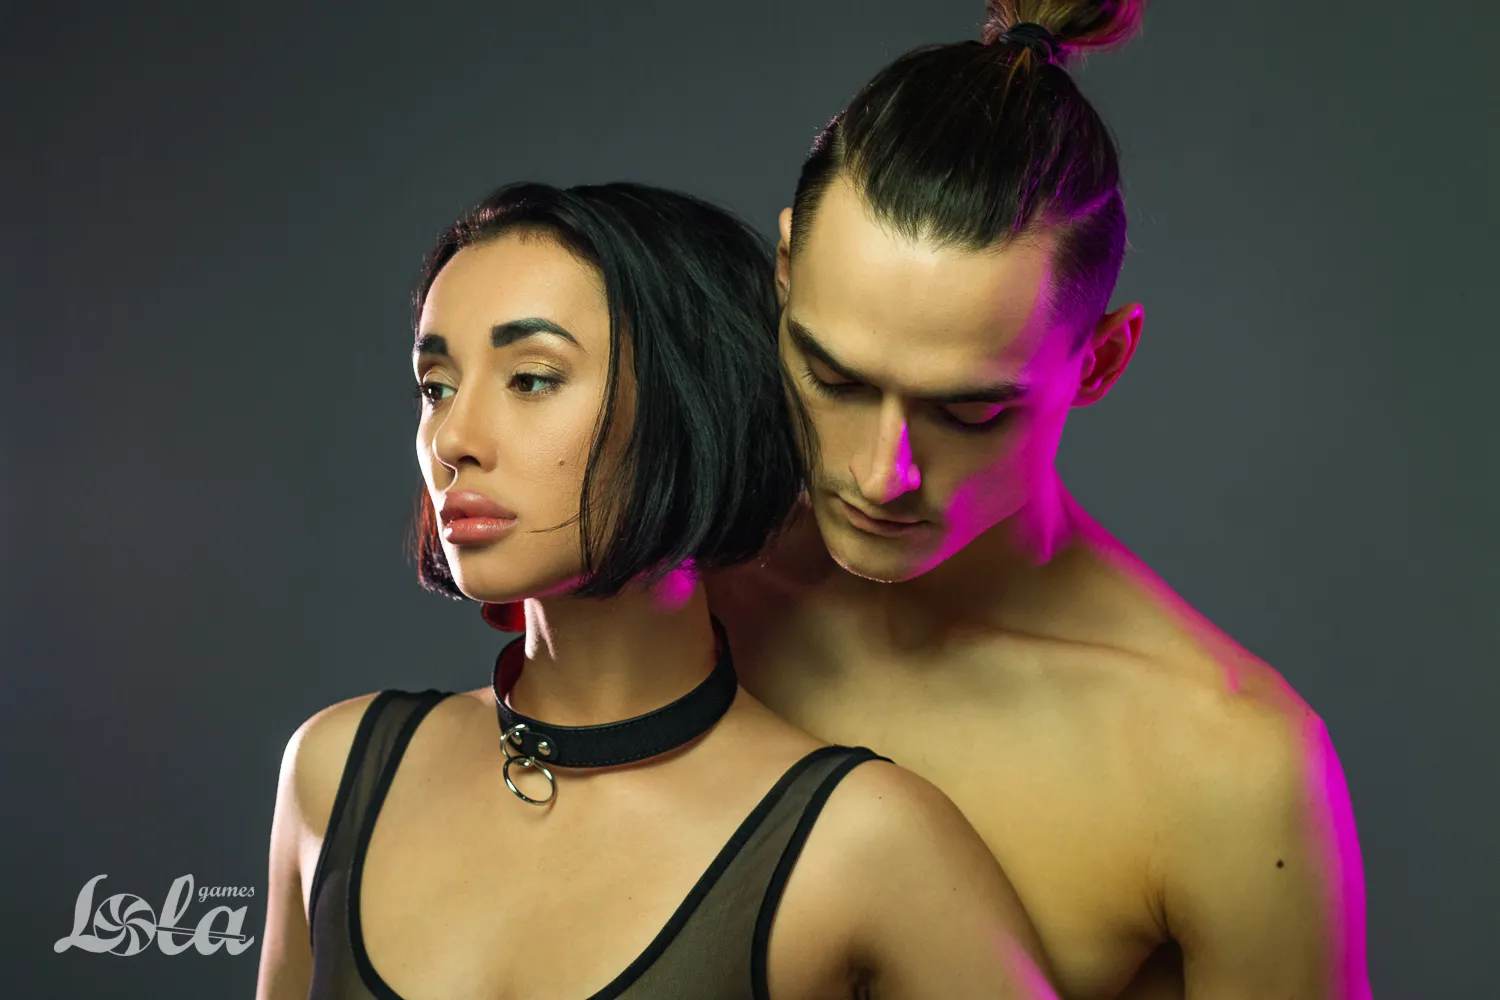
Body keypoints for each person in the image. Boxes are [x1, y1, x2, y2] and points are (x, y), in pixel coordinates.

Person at [703, 3, 1371, 999]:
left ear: (1099, 360)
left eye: (969, 411)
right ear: (786, 272)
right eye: (834, 379)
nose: (883, 473)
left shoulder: (1226, 766)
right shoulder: (680, 599)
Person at [255, 180, 1059, 1000]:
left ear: (689, 403)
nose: (453, 438)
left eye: (530, 378)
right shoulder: (335, 772)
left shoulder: (862, 844)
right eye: (437, 385)